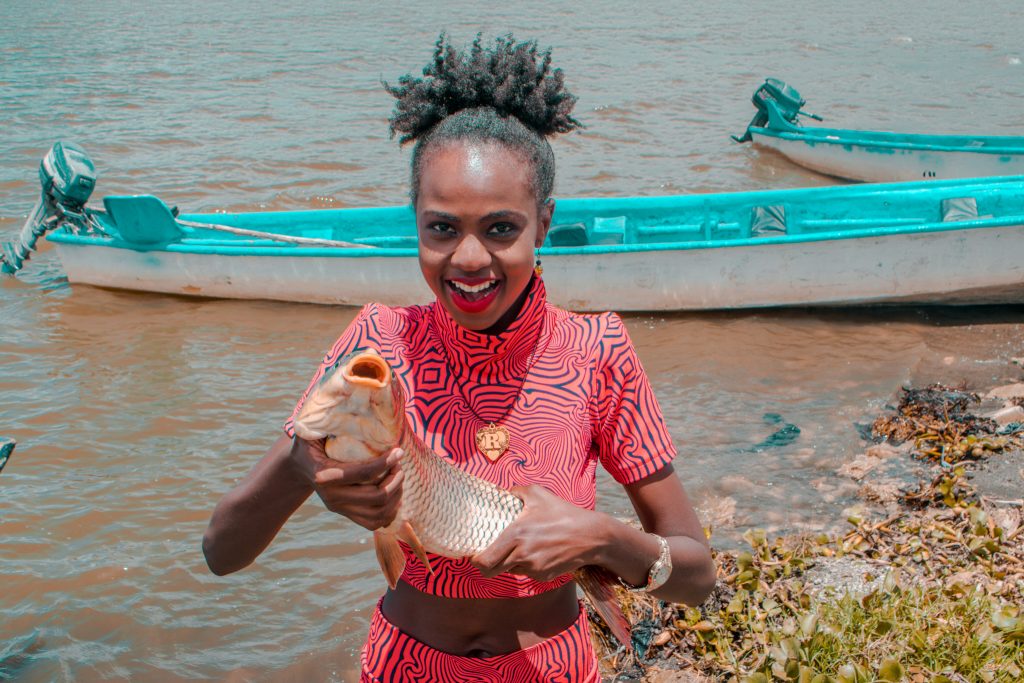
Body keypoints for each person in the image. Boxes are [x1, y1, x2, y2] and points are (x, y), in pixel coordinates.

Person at [203, 34, 716, 682]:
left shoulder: (598, 350)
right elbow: (221, 552)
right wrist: (304, 465)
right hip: (403, 667)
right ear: (414, 222)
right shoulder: (377, 346)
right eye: (442, 228)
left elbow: (696, 574)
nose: (469, 258)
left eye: (501, 228)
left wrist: (602, 538)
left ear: (545, 222)